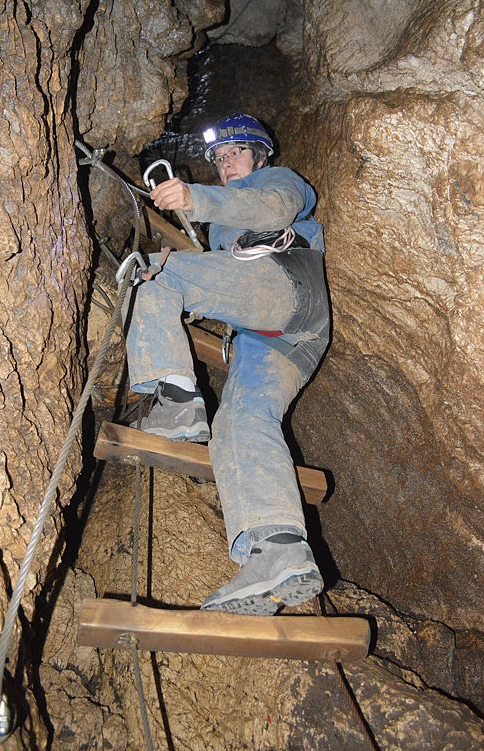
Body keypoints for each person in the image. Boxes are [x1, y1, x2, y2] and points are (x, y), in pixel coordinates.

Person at [123, 114, 330, 615]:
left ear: (261, 155)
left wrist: (196, 198)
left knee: (152, 275)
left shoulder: (279, 181)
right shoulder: (220, 223)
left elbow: (275, 206)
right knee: (240, 422)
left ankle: (175, 400)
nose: (225, 163)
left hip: (285, 283)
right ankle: (278, 549)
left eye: (236, 152)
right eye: (218, 159)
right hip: (280, 340)